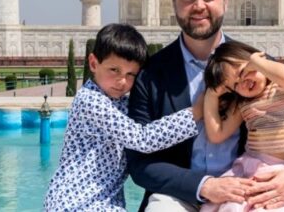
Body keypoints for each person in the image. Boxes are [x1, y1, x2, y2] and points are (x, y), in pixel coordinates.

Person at [127, 0, 284, 212]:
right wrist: (204, 186)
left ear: (226, 2)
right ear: (174, 3)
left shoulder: (256, 66)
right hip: (180, 193)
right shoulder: (151, 74)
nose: (199, 6)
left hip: (246, 187)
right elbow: (139, 161)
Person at [44, 23, 202, 212]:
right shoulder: (90, 100)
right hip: (77, 202)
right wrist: (196, 113)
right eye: (114, 70)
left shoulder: (120, 103)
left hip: (104, 201)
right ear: (94, 64)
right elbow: (141, 138)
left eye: (130, 74)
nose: (122, 81)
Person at [201, 41, 284, 212]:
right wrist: (211, 96)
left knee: (263, 206)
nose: (243, 83)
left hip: (277, 172)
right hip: (246, 164)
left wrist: (259, 61)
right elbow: (217, 134)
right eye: (235, 85)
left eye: (243, 72)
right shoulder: (243, 104)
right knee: (223, 206)